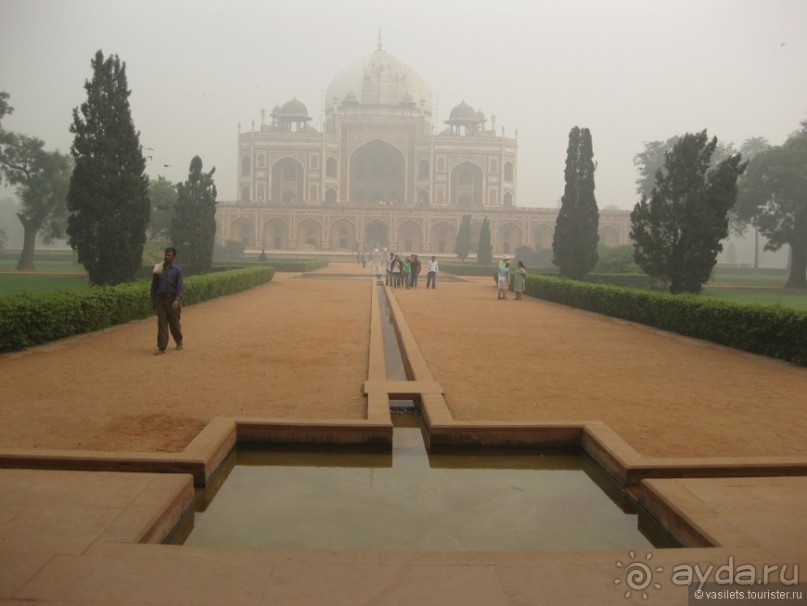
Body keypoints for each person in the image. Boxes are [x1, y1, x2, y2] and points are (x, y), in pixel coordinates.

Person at [151, 247, 184, 354]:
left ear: (174, 257)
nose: (166, 256)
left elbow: (179, 286)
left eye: (169, 255)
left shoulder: (177, 270)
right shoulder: (158, 269)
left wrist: (177, 299)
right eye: (165, 254)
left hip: (172, 299)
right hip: (160, 300)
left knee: (174, 323)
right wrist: (153, 300)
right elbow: (154, 286)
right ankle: (162, 347)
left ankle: (179, 341)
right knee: (162, 323)